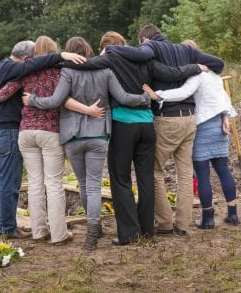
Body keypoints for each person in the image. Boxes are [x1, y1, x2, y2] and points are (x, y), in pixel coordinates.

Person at [64, 31, 207, 245]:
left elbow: (84, 65)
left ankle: (130, 234)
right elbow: (172, 73)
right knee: (145, 178)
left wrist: (60, 57)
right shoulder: (147, 59)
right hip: (147, 125)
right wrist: (196, 67)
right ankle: (147, 230)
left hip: (123, 125)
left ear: (108, 47)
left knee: (120, 179)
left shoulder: (110, 58)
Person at [22, 36, 153, 250]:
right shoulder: (105, 72)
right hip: (99, 134)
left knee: (83, 184)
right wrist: (144, 99)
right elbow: (123, 97)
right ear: (89, 50)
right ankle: (93, 230)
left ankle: (95, 228)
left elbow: (55, 101)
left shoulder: (67, 72)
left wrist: (32, 100)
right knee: (94, 184)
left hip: (73, 136)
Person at [106, 24, 224, 235]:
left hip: (166, 118)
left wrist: (113, 49)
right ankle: (183, 224)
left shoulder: (151, 47)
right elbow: (218, 63)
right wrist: (197, 66)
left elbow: (137, 53)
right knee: (185, 173)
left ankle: (165, 223)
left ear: (144, 39)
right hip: (189, 119)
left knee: (154, 172)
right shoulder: (187, 50)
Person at [0, 36, 91, 244]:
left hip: (26, 133)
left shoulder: (25, 72)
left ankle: (38, 232)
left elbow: (2, 95)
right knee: (53, 183)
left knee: (34, 183)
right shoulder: (60, 72)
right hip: (50, 131)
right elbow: (66, 99)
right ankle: (59, 234)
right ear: (53, 51)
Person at [143, 59, 239, 229]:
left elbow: (183, 92)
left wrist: (157, 95)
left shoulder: (197, 74)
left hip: (203, 126)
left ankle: (208, 218)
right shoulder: (215, 75)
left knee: (202, 174)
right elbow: (224, 97)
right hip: (219, 124)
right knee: (223, 170)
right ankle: (233, 214)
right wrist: (225, 115)